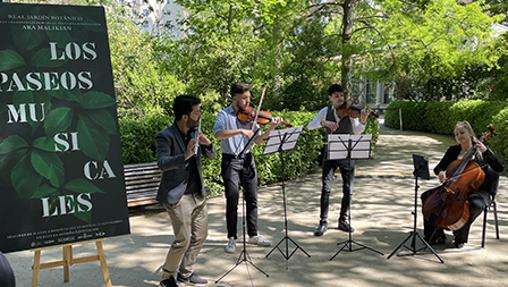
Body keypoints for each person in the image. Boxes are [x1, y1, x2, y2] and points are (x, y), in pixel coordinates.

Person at [214, 83, 283, 253]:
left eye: (249, 97)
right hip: (231, 160)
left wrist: (272, 127)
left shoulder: (252, 117)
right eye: (244, 98)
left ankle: (253, 235)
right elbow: (217, 134)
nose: (248, 101)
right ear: (235, 98)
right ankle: (231, 238)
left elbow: (258, 140)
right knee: (232, 199)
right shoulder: (224, 114)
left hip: (248, 160)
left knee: (252, 198)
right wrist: (240, 131)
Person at [155, 95, 216, 287]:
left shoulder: (194, 132)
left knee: (200, 236)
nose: (199, 115)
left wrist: (207, 144)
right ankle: (166, 277)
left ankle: (186, 272)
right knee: (183, 239)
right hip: (178, 195)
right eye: (196, 112)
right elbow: (162, 163)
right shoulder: (165, 136)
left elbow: (212, 156)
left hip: (197, 193)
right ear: (184, 116)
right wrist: (185, 155)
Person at [421, 121, 504, 248]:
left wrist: (486, 151)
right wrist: (441, 172)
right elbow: (438, 168)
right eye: (456, 134)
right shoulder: (453, 151)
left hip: (481, 189)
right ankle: (436, 234)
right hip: (455, 187)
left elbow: (499, 167)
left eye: (462, 133)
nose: (459, 136)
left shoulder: (481, 150)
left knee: (475, 204)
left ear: (470, 133)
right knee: (426, 196)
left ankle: (460, 236)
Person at [307, 84, 369, 236]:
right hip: (331, 154)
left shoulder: (349, 112)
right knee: (326, 188)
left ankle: (343, 220)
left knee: (348, 189)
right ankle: (323, 222)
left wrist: (362, 121)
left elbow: (357, 131)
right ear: (330, 98)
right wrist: (324, 122)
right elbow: (310, 126)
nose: (340, 99)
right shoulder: (325, 111)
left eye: (341, 96)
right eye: (336, 96)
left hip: (347, 153)